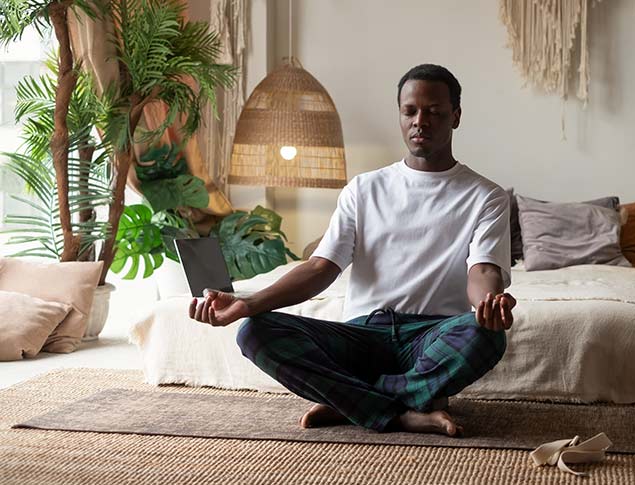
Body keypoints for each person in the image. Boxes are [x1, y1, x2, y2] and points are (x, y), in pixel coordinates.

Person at [189, 64, 516, 437]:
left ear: (455, 116)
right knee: (255, 332)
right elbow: (320, 268)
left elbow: (483, 271)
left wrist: (489, 304)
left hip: (432, 333)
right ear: (400, 115)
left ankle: (353, 400)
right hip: (363, 334)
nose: (420, 121)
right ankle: (404, 410)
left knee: (486, 334)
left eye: (435, 112)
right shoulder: (364, 189)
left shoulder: (485, 195)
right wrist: (248, 302)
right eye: (410, 111)